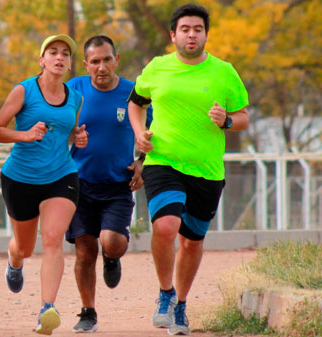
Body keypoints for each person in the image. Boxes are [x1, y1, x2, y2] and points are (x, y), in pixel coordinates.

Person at [128, 4, 249, 335]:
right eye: (185, 29)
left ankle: (181, 304)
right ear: (173, 35)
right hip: (163, 161)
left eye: (197, 29)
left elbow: (243, 118)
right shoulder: (157, 68)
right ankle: (165, 293)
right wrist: (139, 133)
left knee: (192, 242)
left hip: (207, 170)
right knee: (166, 227)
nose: (191, 34)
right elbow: (135, 104)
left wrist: (226, 119)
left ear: (206, 34)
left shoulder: (224, 72)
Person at [0, 34, 88, 335]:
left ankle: (48, 308)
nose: (59, 58)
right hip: (20, 178)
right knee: (25, 247)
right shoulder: (24, 90)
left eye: (65, 54)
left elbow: (69, 133)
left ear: (70, 64)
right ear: (41, 60)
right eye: (53, 52)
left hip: (61, 175)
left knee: (54, 238)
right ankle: (14, 260)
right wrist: (25, 135)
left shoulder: (75, 97)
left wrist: (78, 138)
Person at [65, 35, 151, 333]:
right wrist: (71, 135)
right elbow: (56, 127)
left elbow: (153, 132)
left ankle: (112, 258)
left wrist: (142, 162)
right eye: (95, 61)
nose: (101, 67)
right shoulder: (74, 89)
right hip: (78, 183)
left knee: (110, 243)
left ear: (117, 60)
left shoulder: (134, 93)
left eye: (107, 60)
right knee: (84, 251)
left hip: (118, 185)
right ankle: (88, 311)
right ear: (86, 64)